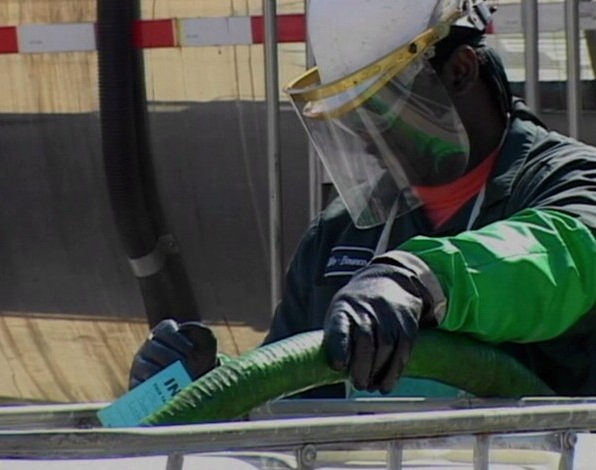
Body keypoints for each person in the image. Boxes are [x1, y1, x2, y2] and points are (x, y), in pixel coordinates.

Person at [129, 0, 596, 397]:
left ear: (459, 71)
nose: (365, 137)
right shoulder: (342, 234)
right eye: (349, 117)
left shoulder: (567, 182)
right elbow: (294, 389)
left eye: (379, 107)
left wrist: (418, 280)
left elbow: (560, 255)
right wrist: (207, 387)